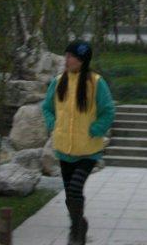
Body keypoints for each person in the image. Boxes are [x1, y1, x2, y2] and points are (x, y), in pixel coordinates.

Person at [41, 39, 115, 245]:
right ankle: (79, 225)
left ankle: (75, 230)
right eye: (66, 55)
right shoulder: (58, 81)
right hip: (64, 149)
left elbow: (108, 111)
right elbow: (47, 107)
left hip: (88, 150)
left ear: (82, 60)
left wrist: (95, 130)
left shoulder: (96, 82)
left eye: (71, 56)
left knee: (74, 189)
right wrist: (53, 124)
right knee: (70, 195)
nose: (67, 59)